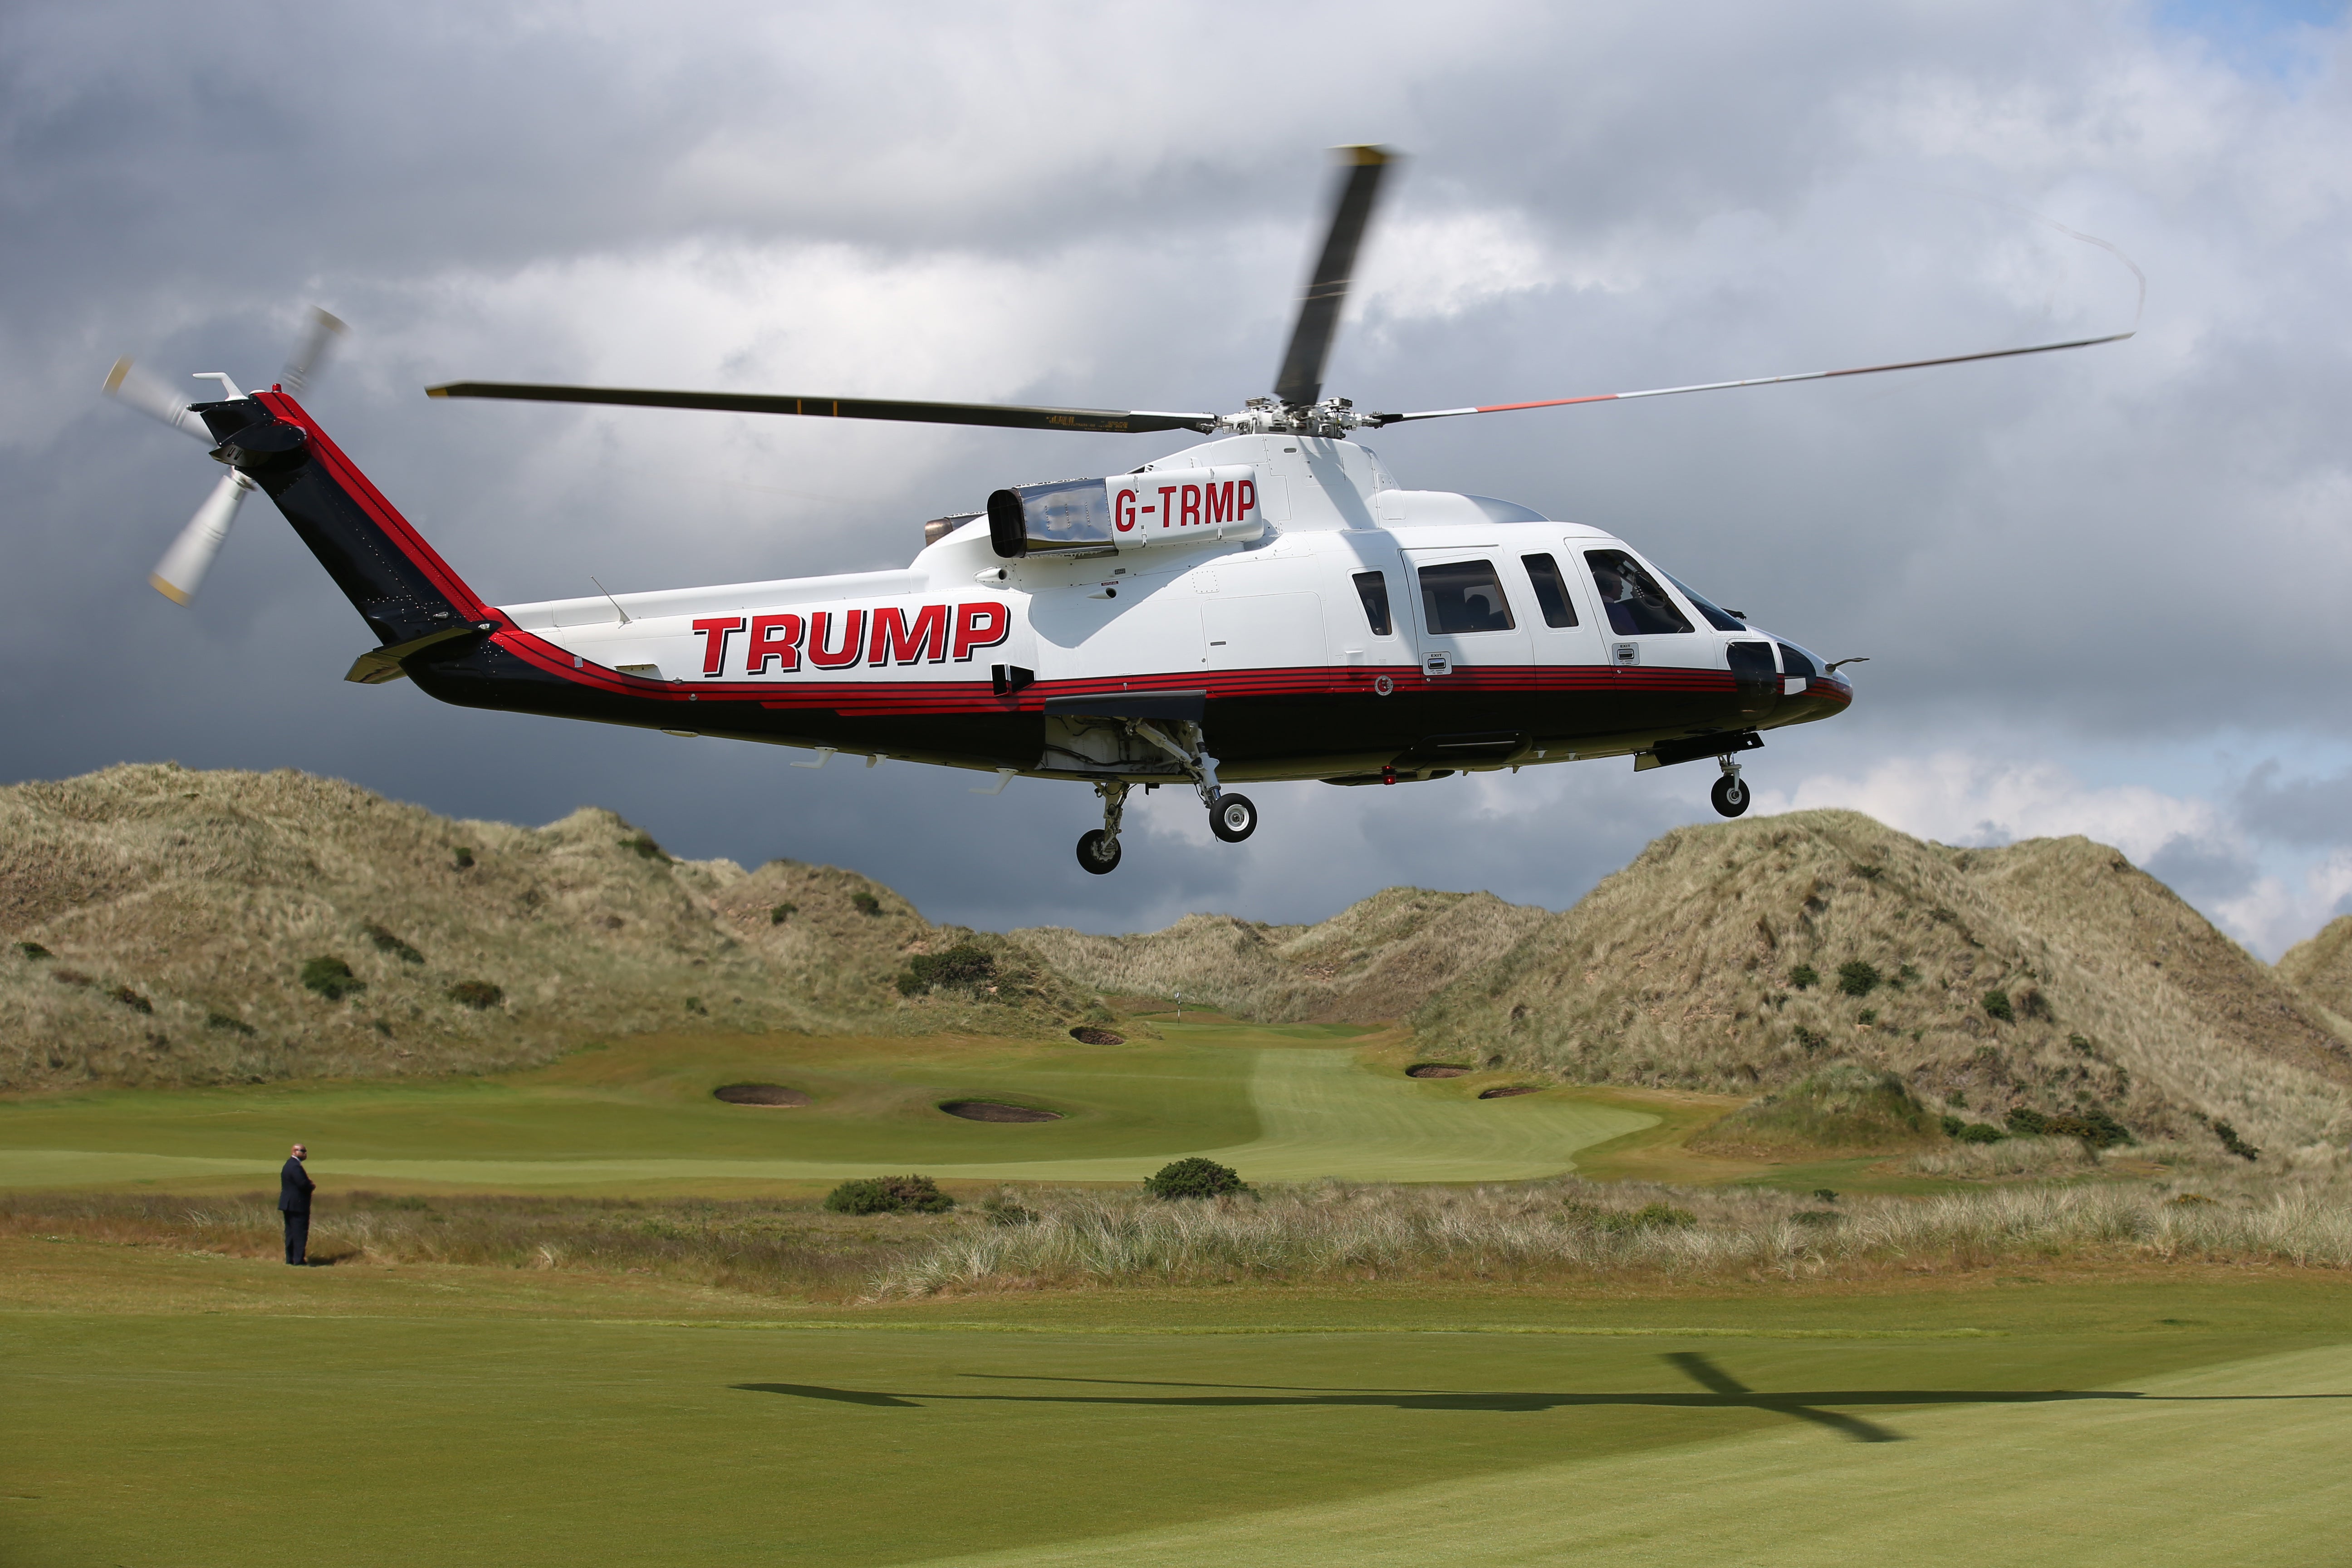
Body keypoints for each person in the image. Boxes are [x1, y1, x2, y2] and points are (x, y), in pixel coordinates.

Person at [279, 1142, 314, 1265]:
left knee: (290, 1232)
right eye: (303, 1151)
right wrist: (311, 1186)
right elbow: (303, 1184)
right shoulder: (295, 1167)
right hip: (297, 1205)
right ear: (295, 1152)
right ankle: (298, 1260)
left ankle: (290, 1259)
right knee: (299, 1232)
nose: (305, 1154)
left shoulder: (288, 1165)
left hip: (288, 1204)